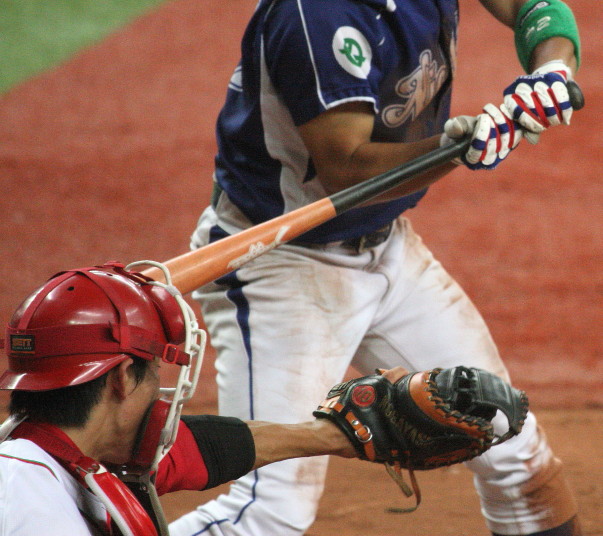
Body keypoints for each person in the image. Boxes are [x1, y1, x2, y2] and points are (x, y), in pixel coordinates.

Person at [183, 0, 583, 535]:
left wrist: (551, 68)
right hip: (280, 265)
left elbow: (531, 7)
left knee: (509, 440)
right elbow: (345, 168)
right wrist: (455, 147)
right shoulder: (315, 14)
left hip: (388, 244)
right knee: (268, 511)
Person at [0, 261, 413, 535]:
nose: (157, 393)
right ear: (123, 378)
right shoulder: (31, 508)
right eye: (155, 371)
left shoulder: (46, 461)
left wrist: (335, 434)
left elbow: (189, 452)